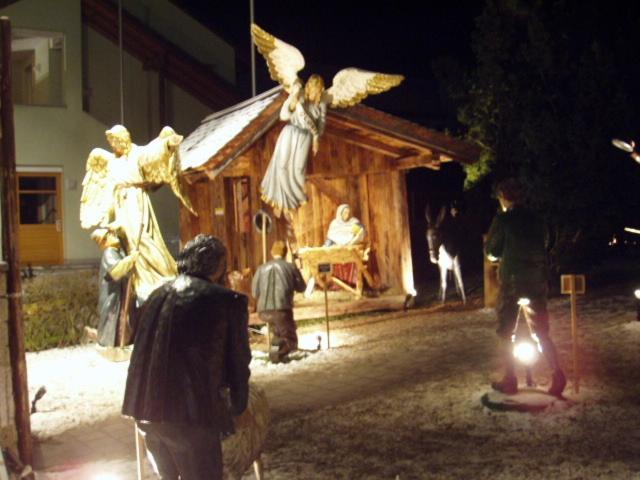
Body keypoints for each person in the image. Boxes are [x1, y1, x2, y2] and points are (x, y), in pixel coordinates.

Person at [122, 234, 251, 480]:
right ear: (217, 266)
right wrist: (239, 405)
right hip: (191, 416)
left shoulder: (156, 295)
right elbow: (238, 360)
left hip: (146, 411)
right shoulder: (226, 300)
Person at [485, 178, 566, 397]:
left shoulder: (503, 219)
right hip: (537, 281)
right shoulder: (537, 219)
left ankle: (509, 379)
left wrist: (499, 254)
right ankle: (557, 374)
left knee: (505, 332)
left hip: (512, 282)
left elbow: (491, 251)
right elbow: (548, 244)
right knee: (541, 332)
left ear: (503, 197)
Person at [260, 75, 326, 215]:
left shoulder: (321, 105)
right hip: (290, 132)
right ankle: (282, 201)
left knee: (298, 169)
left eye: (319, 91)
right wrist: (292, 102)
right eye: (314, 90)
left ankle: (296, 199)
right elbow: (283, 115)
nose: (317, 94)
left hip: (305, 137)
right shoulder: (299, 98)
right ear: (308, 88)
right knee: (282, 165)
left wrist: (316, 138)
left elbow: (321, 126)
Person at [252, 240, 306, 362]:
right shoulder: (290, 267)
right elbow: (302, 287)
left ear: (272, 252)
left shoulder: (261, 268)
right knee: (289, 337)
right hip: (282, 309)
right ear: (286, 253)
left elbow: (254, 292)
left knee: (277, 334)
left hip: (263, 310)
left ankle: (274, 354)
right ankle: (278, 355)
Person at [91, 228, 138, 347]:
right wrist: (130, 260)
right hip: (112, 297)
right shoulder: (109, 253)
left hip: (121, 294)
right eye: (110, 235)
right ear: (104, 241)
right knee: (114, 321)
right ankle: (111, 344)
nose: (114, 235)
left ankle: (124, 342)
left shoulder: (118, 251)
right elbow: (115, 271)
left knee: (124, 320)